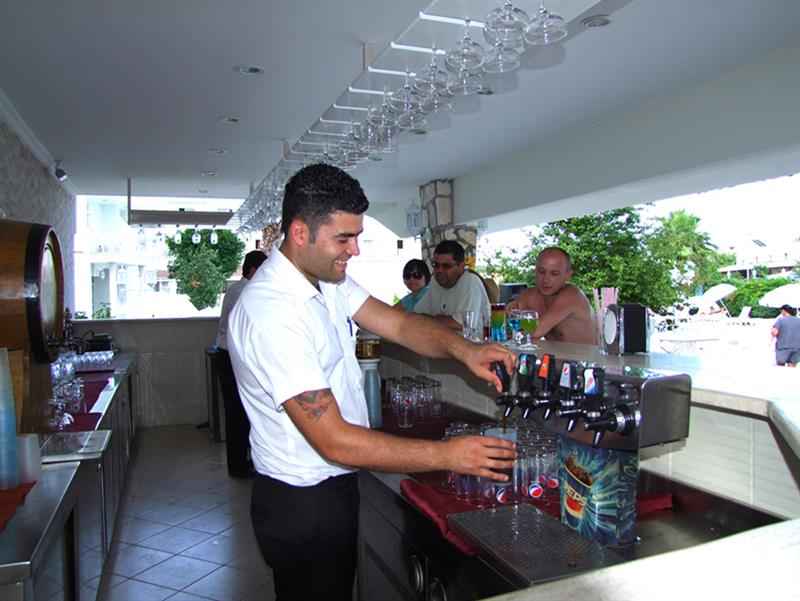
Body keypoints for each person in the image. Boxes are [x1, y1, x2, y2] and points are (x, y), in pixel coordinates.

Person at [226, 164, 516, 601]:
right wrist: (448, 455)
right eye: (344, 238)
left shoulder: (326, 281)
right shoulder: (272, 312)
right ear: (300, 233)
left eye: (357, 236)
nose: (355, 250)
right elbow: (335, 441)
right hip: (300, 501)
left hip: (333, 486)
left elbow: (398, 324)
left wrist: (466, 350)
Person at [215, 249, 267, 477]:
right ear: (253, 270)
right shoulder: (245, 292)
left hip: (227, 354)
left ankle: (240, 463)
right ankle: (238, 466)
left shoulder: (237, 289)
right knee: (238, 413)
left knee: (237, 412)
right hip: (232, 357)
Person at [506, 247, 596, 344]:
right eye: (541, 272)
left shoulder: (572, 295)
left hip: (585, 354)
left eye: (554, 274)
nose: (546, 279)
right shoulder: (529, 295)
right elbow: (507, 327)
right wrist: (510, 310)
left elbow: (535, 331)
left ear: (568, 275)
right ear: (535, 271)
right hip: (555, 353)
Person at [413, 240, 491, 331]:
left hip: (472, 340)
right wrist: (438, 320)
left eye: (446, 266)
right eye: (436, 265)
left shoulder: (470, 281)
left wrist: (431, 319)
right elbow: (417, 314)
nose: (439, 270)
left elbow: (462, 324)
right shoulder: (435, 281)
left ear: (461, 266)